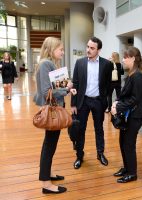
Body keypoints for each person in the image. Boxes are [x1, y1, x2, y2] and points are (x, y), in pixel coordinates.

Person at [34, 37, 76, 194]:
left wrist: (67, 87)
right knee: (49, 145)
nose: (63, 52)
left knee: (50, 144)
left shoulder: (49, 64)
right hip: (53, 111)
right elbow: (46, 93)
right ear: (51, 49)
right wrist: (66, 89)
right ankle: (46, 183)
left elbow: (52, 87)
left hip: (55, 109)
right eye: (61, 49)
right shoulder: (46, 64)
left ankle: (48, 174)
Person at [71, 36, 113, 169]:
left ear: (98, 50)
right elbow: (75, 84)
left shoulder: (107, 64)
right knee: (80, 129)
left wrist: (106, 102)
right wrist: (73, 104)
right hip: (82, 101)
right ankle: (79, 155)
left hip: (98, 102)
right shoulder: (80, 63)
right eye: (88, 46)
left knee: (99, 129)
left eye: (92, 48)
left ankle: (100, 153)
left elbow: (109, 85)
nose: (88, 50)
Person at [110, 46, 142, 183]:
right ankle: (126, 168)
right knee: (123, 142)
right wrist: (116, 102)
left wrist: (117, 106)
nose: (123, 60)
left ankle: (132, 173)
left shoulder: (138, 76)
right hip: (128, 115)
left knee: (128, 144)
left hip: (135, 116)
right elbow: (126, 95)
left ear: (133, 58)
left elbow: (135, 99)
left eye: (126, 57)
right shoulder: (131, 74)